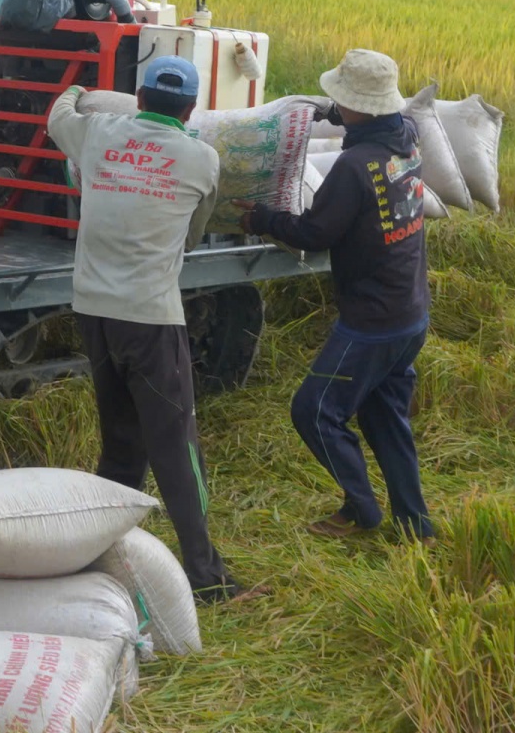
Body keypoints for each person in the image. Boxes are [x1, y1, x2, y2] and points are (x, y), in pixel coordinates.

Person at [47, 56, 247, 603]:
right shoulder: (201, 159)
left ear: (138, 98)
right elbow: (194, 234)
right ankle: (206, 577)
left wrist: (80, 86)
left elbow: (58, 117)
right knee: (177, 449)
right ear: (191, 109)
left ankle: (99, 556)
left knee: (121, 444)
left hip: (94, 311)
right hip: (151, 317)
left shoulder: (97, 133)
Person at [241, 48, 435, 541]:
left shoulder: (353, 167)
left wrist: (262, 219)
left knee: (314, 410)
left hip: (372, 321)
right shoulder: (406, 139)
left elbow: (315, 232)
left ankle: (362, 508)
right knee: (385, 417)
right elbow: (377, 126)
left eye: (342, 99)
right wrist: (334, 115)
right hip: (411, 310)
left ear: (359, 107)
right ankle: (416, 524)